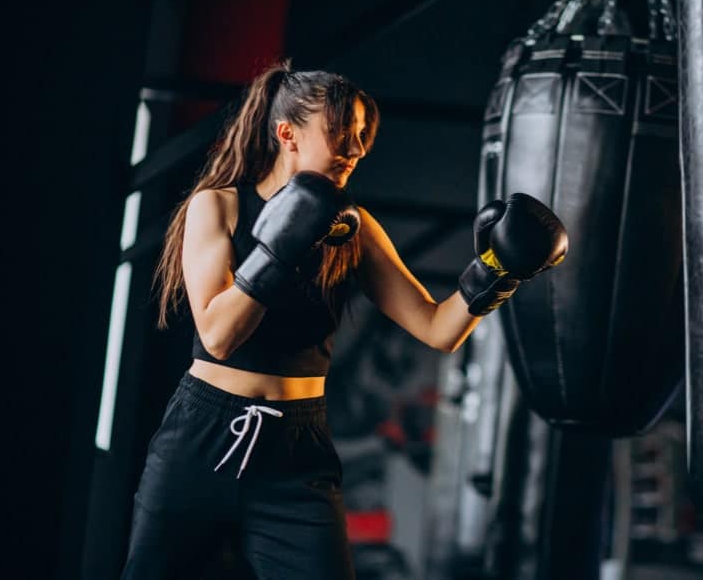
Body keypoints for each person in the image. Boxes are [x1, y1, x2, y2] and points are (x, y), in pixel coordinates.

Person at [120, 59, 568, 580]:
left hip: (295, 453)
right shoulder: (217, 207)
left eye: (359, 136)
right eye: (339, 134)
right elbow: (218, 336)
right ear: (287, 134)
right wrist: (280, 249)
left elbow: (437, 328)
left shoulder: (354, 228)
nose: (354, 150)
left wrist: (498, 269)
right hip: (201, 439)